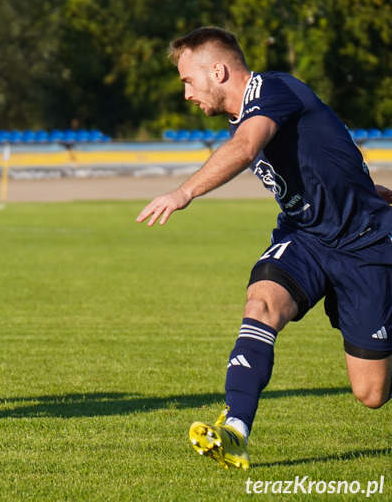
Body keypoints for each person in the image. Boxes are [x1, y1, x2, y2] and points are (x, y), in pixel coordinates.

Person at [137, 26, 392, 469]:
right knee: (261, 304)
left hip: (363, 245)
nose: (186, 94)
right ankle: (235, 430)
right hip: (305, 237)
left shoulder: (273, 90)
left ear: (217, 70)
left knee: (370, 394)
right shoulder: (252, 111)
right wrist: (367, 188)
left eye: (187, 81)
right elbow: (325, 152)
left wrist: (183, 193)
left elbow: (245, 147)